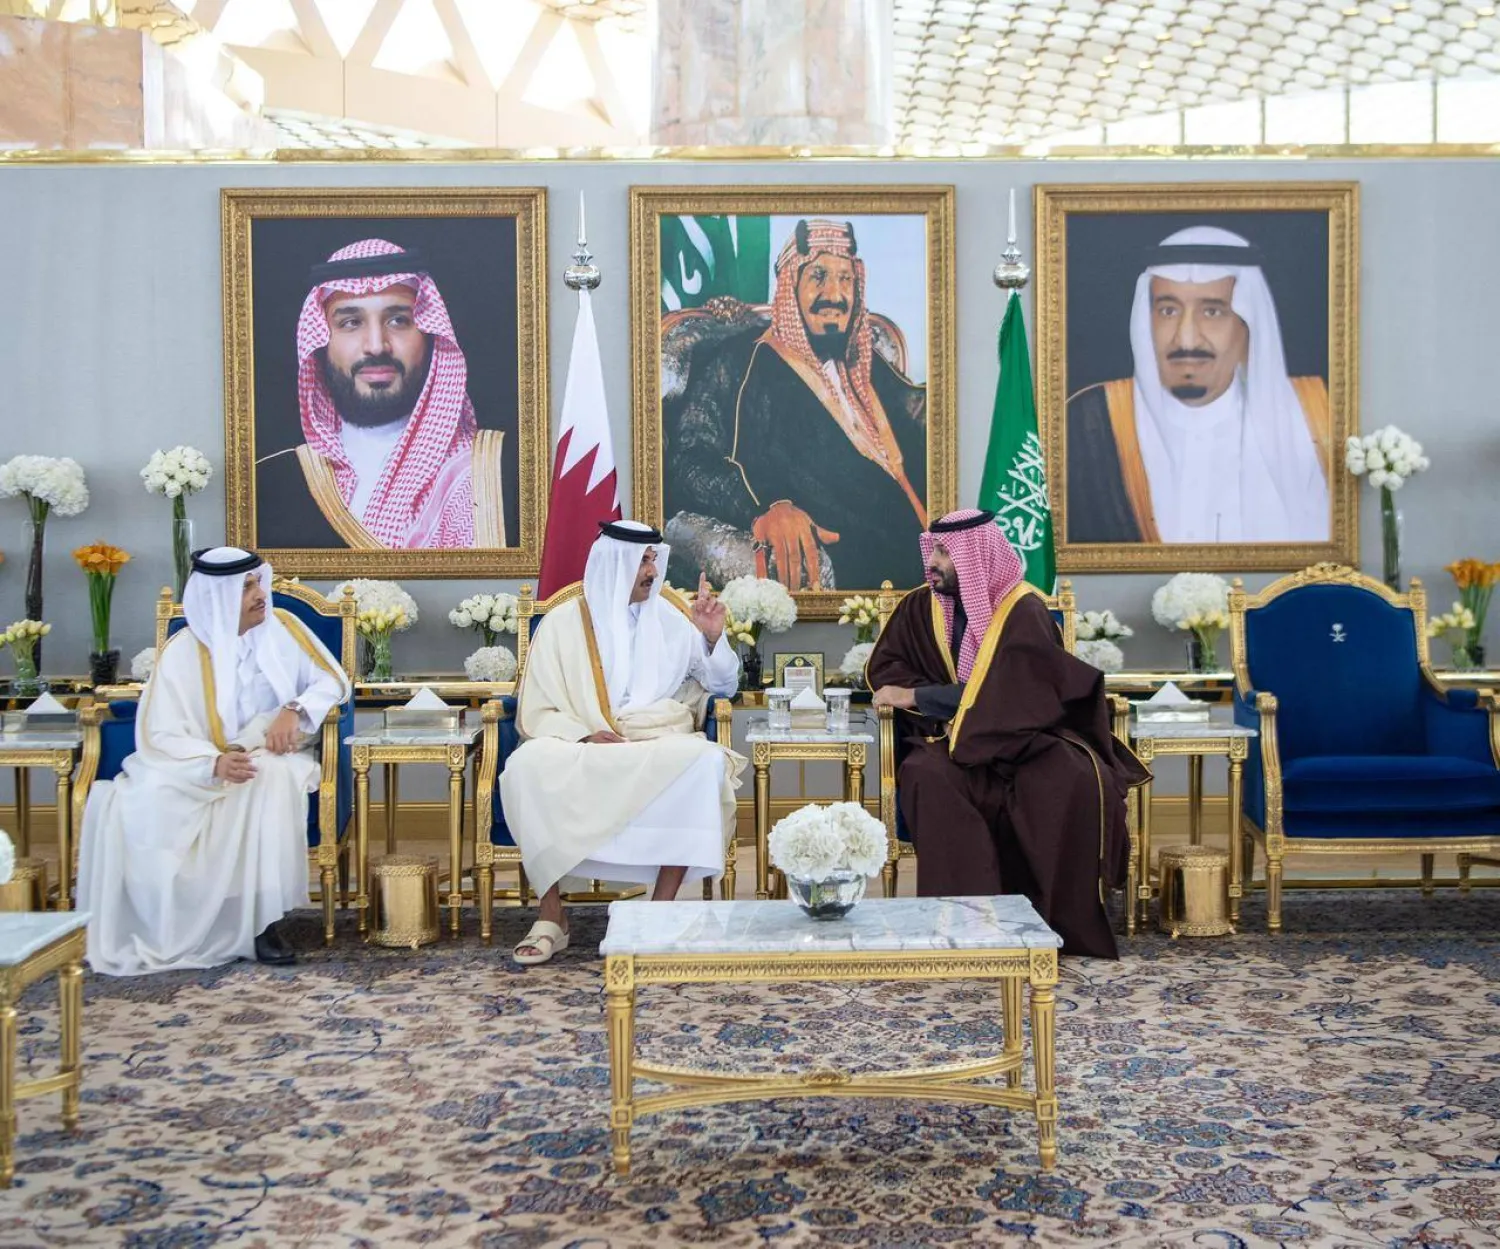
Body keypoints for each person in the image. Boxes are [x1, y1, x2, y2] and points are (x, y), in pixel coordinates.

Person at [866, 510, 1148, 958]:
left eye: (944, 552)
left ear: (976, 557)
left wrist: (924, 696)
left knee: (1073, 778)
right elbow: (888, 672)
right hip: (950, 743)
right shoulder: (919, 608)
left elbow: (1019, 693)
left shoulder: (1023, 610)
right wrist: (945, 707)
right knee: (925, 774)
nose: (932, 562)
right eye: (933, 549)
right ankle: (966, 925)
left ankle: (1048, 924)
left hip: (1023, 742)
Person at [78, 547, 351, 975]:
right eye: (246, 588)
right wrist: (211, 764)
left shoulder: (283, 630)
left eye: (258, 583)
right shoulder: (183, 652)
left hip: (271, 753)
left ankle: (262, 922)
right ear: (217, 597)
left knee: (265, 777)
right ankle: (201, 921)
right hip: (190, 766)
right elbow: (161, 733)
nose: (260, 595)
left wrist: (294, 708)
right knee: (148, 801)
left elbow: (332, 681)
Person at [499, 520, 745, 965]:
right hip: (583, 741)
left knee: (703, 762)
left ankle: (658, 913)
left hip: (656, 740)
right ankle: (552, 915)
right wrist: (584, 733)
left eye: (653, 560)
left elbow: (723, 686)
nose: (651, 571)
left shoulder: (671, 621)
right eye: (642, 562)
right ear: (615, 564)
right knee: (525, 765)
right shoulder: (562, 623)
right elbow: (537, 705)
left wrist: (711, 637)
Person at [664, 218, 927, 591]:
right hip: (851, 553)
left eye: (845, 279)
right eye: (818, 276)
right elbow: (688, 461)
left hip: (919, 544)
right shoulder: (739, 361)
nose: (835, 294)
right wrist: (767, 509)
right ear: (790, 286)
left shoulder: (866, 363)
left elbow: (917, 418)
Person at [1066, 225, 1330, 545]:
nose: (1187, 338)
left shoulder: (1313, 419)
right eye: (1168, 311)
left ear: (1248, 324)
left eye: (1212, 312)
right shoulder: (1089, 424)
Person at [256, 237, 508, 550]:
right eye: (351, 323)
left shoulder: (494, 471)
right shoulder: (275, 481)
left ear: (430, 335)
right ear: (321, 341)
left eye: (398, 321)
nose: (376, 345)